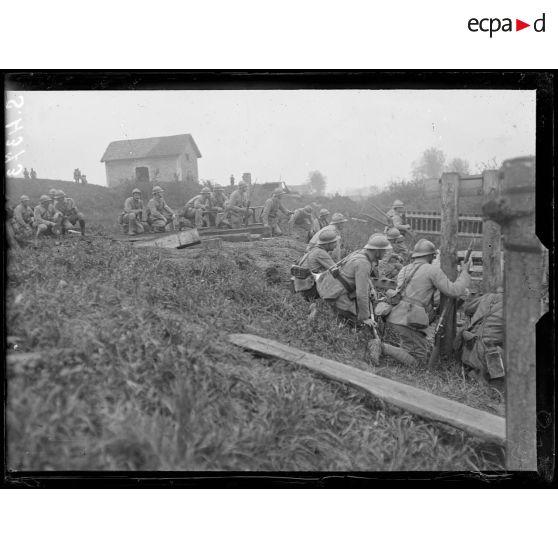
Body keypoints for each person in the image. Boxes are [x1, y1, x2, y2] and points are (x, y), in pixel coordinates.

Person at [386, 238, 471, 364]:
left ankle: (388, 351)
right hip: (410, 320)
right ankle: (382, 347)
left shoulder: (405, 269)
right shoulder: (432, 270)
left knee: (409, 349)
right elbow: (454, 290)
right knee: (419, 360)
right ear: (430, 255)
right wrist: (465, 273)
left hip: (397, 316)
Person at [324, 234, 391, 326]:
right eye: (384, 250)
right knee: (361, 326)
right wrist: (365, 318)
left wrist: (371, 288)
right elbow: (361, 294)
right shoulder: (363, 264)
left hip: (334, 291)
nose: (386, 253)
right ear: (377, 251)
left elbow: (365, 278)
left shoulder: (361, 253)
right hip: (338, 297)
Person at [457, 290, 504, 383]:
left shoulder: (489, 297)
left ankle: (475, 373)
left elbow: (468, 309)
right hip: (490, 352)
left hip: (471, 344)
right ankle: (489, 380)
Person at [292, 229, 339, 301]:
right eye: (334, 242)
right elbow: (336, 270)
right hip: (308, 290)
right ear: (327, 244)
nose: (336, 245)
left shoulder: (314, 249)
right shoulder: (321, 253)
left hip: (300, 286)